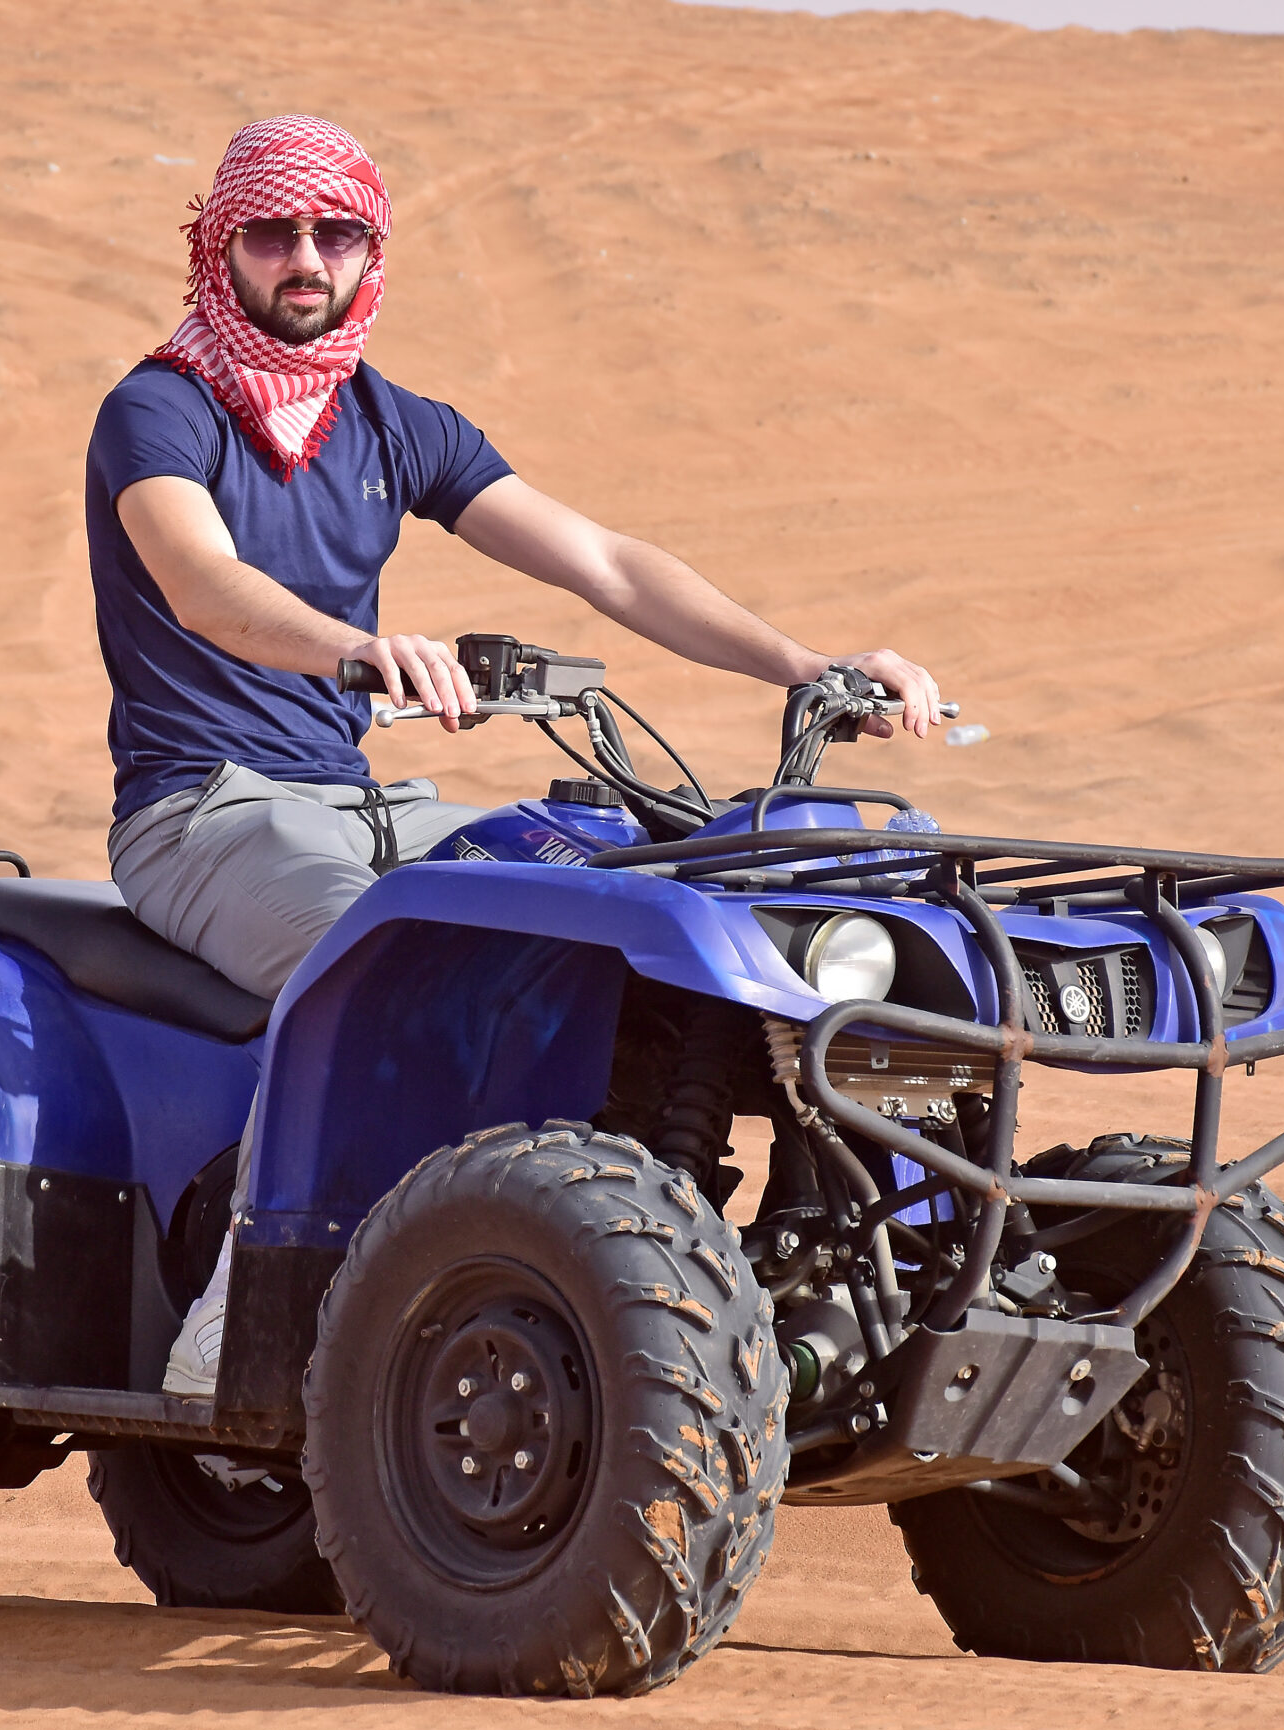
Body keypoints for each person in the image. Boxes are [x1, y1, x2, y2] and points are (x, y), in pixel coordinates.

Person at [85, 115, 942, 1396]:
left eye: (335, 234)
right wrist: (353, 650)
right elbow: (204, 584)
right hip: (202, 813)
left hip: (365, 807)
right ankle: (237, 1307)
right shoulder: (160, 410)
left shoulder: (389, 423)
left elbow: (605, 564)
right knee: (375, 968)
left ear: (372, 251)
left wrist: (803, 663)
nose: (305, 259)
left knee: (612, 904)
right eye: (271, 234)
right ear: (218, 247)